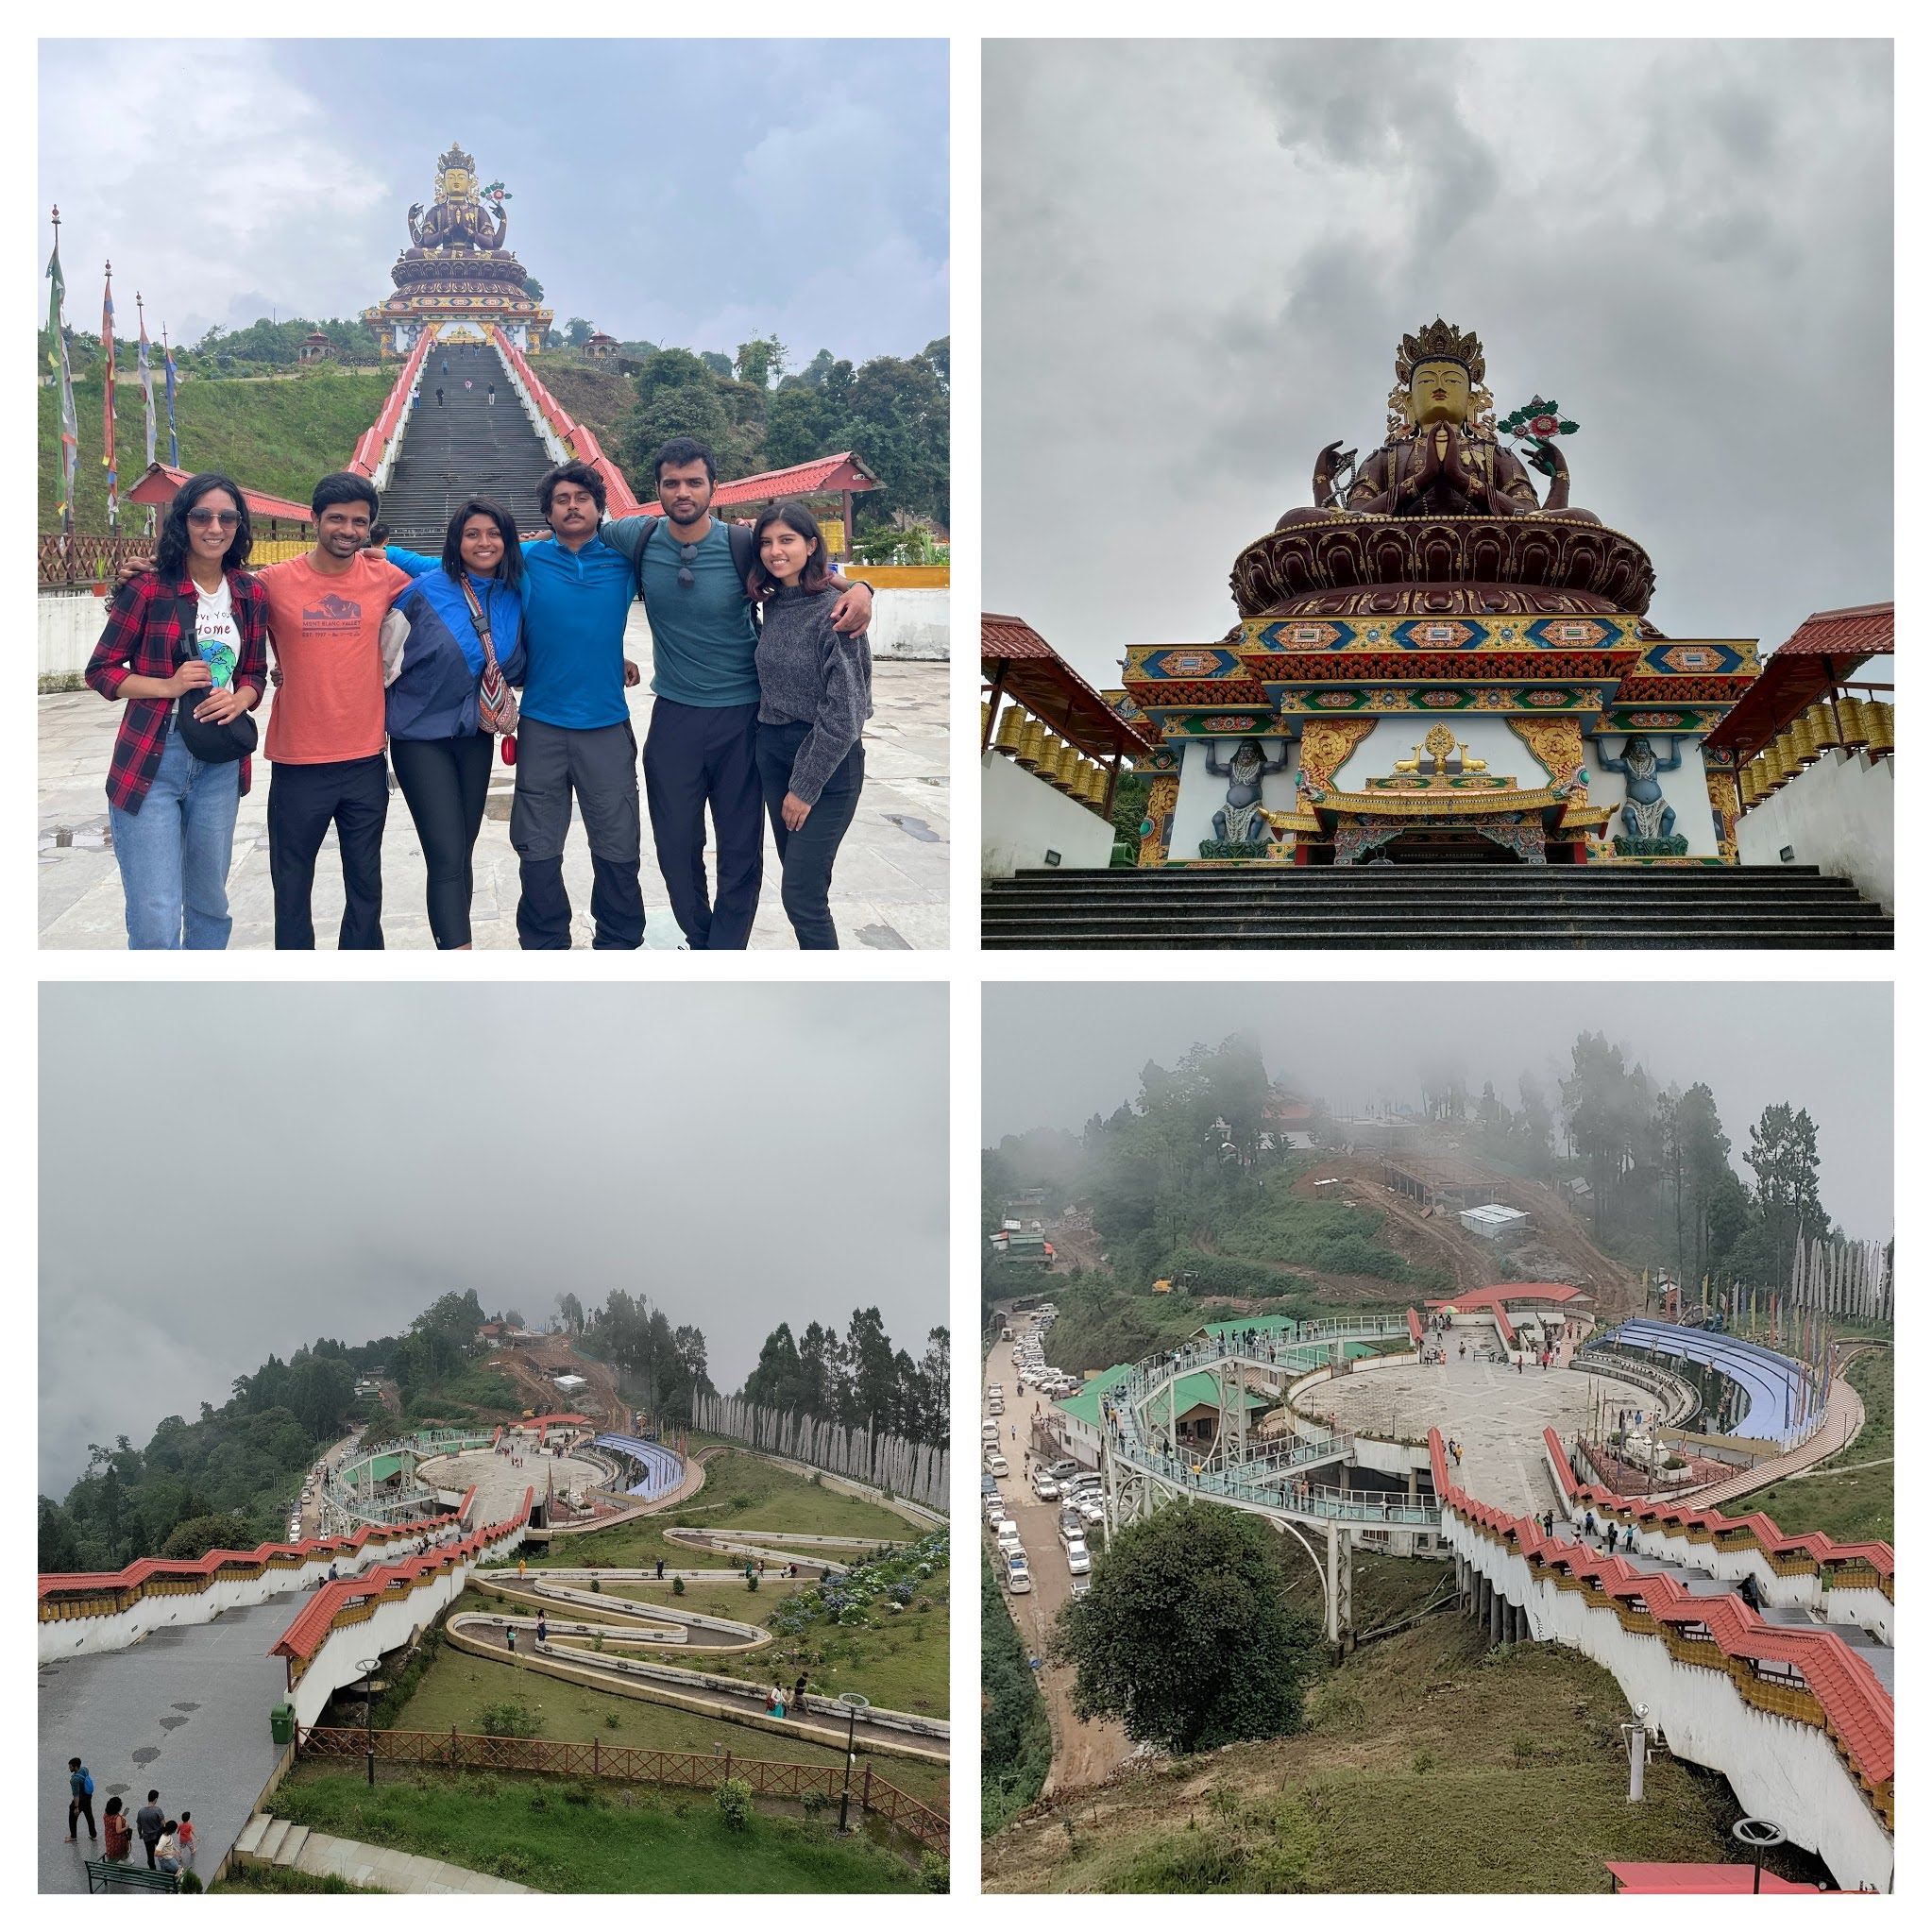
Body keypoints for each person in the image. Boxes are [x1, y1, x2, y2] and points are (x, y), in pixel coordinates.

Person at [593, 438, 872, 949]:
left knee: (740, 848)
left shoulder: (742, 545)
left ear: (712, 487)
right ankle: (702, 939)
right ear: (656, 490)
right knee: (675, 845)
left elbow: (807, 570)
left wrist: (859, 588)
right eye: (671, 483)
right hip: (674, 713)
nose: (683, 492)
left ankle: (726, 950)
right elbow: (577, 530)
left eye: (694, 482)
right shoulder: (637, 535)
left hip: (745, 717)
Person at [85, 473, 270, 948]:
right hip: (154, 755)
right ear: (182, 523)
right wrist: (167, 685)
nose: (215, 527)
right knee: (155, 910)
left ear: (239, 526)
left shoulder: (249, 593)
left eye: (227, 517)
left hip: (219, 762)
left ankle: (200, 1009)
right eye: (202, 516)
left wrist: (240, 699)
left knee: (210, 902)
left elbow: (253, 673)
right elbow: (101, 670)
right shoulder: (150, 588)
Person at [253, 474, 414, 947]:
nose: (348, 530)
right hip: (298, 759)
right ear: (315, 519)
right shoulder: (274, 583)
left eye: (359, 522)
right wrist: (156, 567)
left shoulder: (384, 577)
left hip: (365, 757)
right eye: (337, 519)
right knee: (291, 881)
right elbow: (213, 593)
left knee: (365, 880)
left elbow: (452, 577)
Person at [507, 462, 647, 947]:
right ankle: (545, 943)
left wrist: (850, 584)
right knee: (538, 841)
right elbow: (455, 563)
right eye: (562, 499)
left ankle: (620, 939)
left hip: (606, 725)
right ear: (547, 511)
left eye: (581, 498)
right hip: (542, 724)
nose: (572, 506)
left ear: (598, 507)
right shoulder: (525, 560)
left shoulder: (623, 563)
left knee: (617, 837)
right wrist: (379, 552)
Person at [375, 499, 525, 947]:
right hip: (421, 737)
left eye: (493, 533)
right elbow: (382, 661)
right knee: (444, 855)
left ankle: (457, 951)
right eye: (472, 533)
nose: (484, 542)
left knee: (463, 851)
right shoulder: (422, 592)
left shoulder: (514, 593)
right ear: (456, 542)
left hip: (474, 736)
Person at [746, 501, 873, 947]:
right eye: (766, 542)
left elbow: (846, 711)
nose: (775, 551)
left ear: (811, 545)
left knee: (801, 895)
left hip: (827, 762)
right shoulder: (774, 604)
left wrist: (804, 787)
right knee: (802, 887)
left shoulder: (837, 613)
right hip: (773, 753)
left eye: (787, 540)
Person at [65, 1756, 97, 1843]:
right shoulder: (85, 1769)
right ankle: (93, 1835)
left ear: (75, 1767)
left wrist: (76, 1807)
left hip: (80, 1800)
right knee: (89, 1816)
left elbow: (76, 1795)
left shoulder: (75, 1779)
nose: (69, 1768)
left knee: (72, 1817)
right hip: (88, 1797)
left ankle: (73, 1836)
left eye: (71, 1767)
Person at [135, 1791, 164, 1870]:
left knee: (150, 1855)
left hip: (147, 1837)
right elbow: (163, 1824)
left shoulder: (141, 1812)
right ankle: (164, 1866)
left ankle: (152, 1869)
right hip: (158, 1835)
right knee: (162, 1851)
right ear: (155, 1799)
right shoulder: (157, 1810)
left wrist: (140, 1834)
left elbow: (139, 1825)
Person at [103, 1796, 132, 1863]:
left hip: (109, 1840)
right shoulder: (117, 1818)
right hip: (118, 1843)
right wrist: (126, 1827)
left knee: (118, 1857)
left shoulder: (106, 1815)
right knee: (116, 1859)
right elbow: (118, 1831)